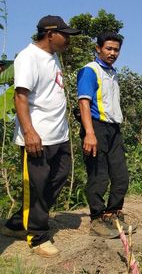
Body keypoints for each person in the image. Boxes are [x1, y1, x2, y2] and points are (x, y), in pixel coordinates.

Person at [0, 15, 80, 257]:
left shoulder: (53, 57)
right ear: (50, 33)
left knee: (58, 177)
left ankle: (17, 223)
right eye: (65, 35)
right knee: (37, 186)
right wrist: (29, 132)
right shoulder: (29, 57)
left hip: (59, 136)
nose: (68, 40)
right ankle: (37, 236)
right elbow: (20, 97)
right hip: (37, 137)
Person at [77, 32, 133, 238]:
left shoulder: (112, 72)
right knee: (98, 175)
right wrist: (89, 133)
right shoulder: (90, 70)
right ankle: (97, 219)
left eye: (116, 49)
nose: (113, 53)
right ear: (98, 48)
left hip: (113, 129)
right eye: (108, 48)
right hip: (96, 127)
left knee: (121, 176)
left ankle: (113, 214)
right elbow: (84, 102)